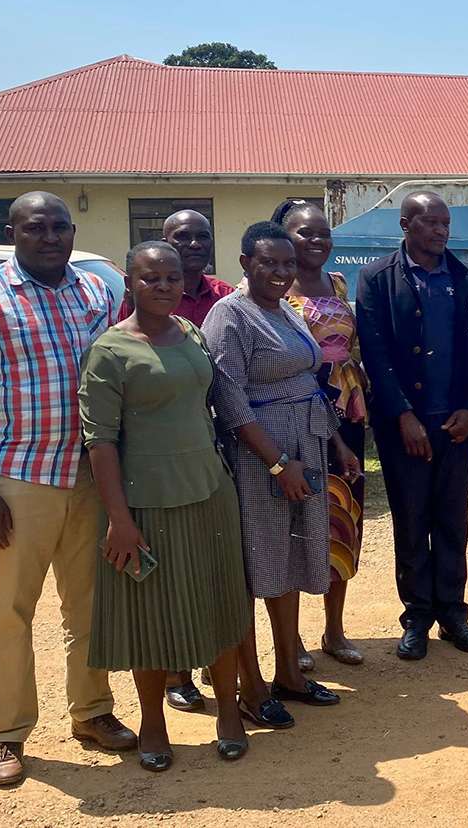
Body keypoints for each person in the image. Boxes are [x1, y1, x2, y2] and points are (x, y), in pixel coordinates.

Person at [0, 191, 137, 787]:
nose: (49, 237)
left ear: (73, 232)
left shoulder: (95, 293)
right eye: (36, 228)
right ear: (13, 233)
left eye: (59, 227)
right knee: (9, 612)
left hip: (89, 475)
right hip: (17, 477)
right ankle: (9, 733)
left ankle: (93, 712)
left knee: (91, 606)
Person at [79, 241, 251, 771]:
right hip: (147, 503)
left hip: (208, 492)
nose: (163, 285)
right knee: (148, 614)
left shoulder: (193, 334)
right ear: (130, 283)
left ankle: (228, 712)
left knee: (221, 601)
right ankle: (153, 721)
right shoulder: (109, 350)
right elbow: (100, 442)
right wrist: (119, 521)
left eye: (172, 277)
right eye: (150, 277)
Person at [203, 221, 361, 724]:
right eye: (268, 262)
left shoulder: (287, 311)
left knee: (292, 557)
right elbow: (229, 400)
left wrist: (335, 442)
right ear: (245, 263)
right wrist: (276, 462)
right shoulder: (230, 316)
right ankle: (251, 688)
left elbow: (311, 383)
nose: (279, 271)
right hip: (260, 462)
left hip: (306, 451)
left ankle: (290, 673)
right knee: (257, 567)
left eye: (286, 263)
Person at [355, 191, 468, 659]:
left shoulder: (466, 277)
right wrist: (403, 415)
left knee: (453, 521)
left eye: (445, 223)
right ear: (405, 224)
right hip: (405, 427)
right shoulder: (376, 278)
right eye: (430, 222)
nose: (440, 231)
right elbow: (374, 352)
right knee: (411, 523)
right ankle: (416, 615)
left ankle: (453, 613)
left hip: (454, 422)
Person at [114, 208, 232, 714]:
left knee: (208, 566)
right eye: (181, 237)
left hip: (209, 441)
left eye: (201, 236)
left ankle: (216, 663)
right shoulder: (133, 311)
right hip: (153, 457)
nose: (192, 244)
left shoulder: (222, 297)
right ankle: (177, 675)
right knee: (169, 571)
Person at [275, 199, 369, 667]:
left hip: (347, 413)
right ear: (283, 235)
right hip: (296, 416)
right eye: (304, 232)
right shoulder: (269, 289)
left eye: (323, 233)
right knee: (295, 520)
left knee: (344, 516)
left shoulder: (337, 282)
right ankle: (291, 641)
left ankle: (334, 630)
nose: (316, 240)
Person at [115, 209, 234, 325]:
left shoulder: (226, 295)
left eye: (203, 236)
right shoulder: (146, 295)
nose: (195, 244)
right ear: (166, 244)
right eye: (183, 236)